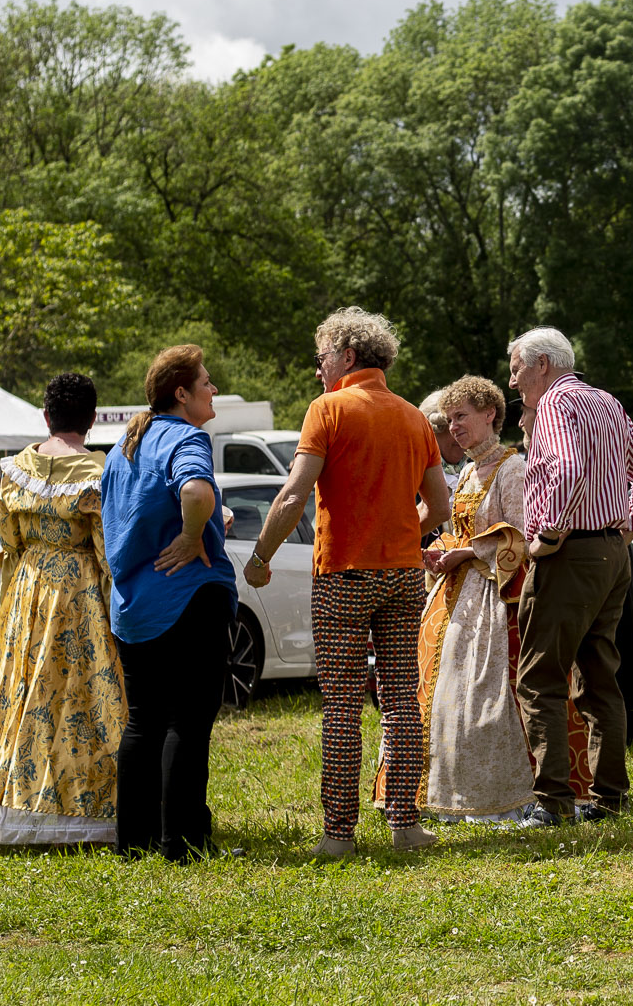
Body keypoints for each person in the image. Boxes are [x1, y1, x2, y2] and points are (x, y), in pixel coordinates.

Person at [245, 309, 452, 858]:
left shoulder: (328, 410)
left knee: (341, 707)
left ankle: (339, 834)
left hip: (343, 576)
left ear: (348, 356)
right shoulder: (413, 417)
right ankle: (406, 824)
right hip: (404, 575)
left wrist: (261, 556)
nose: (319, 371)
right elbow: (441, 505)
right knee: (402, 700)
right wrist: (407, 536)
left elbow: (293, 494)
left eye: (323, 359)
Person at [0, 372, 122, 847]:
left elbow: (8, 538)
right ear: (91, 420)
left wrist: (24, 577)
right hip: (77, 590)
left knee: (19, 687)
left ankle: (4, 803)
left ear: (46, 416)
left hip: (28, 585)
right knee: (77, 694)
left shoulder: (16, 467)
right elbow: (107, 546)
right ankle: (80, 807)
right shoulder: (97, 473)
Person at [507, 326, 633, 827]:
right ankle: (609, 797)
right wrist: (627, 528)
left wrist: (550, 534)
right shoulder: (605, 400)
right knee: (600, 678)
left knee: (539, 679)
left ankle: (552, 802)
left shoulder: (555, 403)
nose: (513, 382)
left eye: (516, 368)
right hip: (610, 555)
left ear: (543, 365)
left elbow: (569, 470)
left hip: (571, 553)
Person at [412, 376, 582, 822]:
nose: (455, 428)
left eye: (462, 416)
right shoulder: (467, 471)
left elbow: (524, 536)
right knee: (451, 695)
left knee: (494, 695)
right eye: (450, 420)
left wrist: (466, 552)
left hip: (500, 596)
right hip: (460, 595)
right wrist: (444, 549)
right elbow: (460, 529)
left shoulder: (513, 468)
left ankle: (512, 795)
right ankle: (456, 791)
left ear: (490, 414)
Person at [97, 348, 237, 861]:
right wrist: (190, 534)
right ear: (181, 393)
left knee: (144, 722)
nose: (213, 388)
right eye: (206, 381)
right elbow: (197, 492)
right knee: (188, 721)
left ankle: (131, 844)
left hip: (133, 604)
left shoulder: (122, 449)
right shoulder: (185, 437)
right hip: (186, 597)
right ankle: (182, 845)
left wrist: (195, 526)